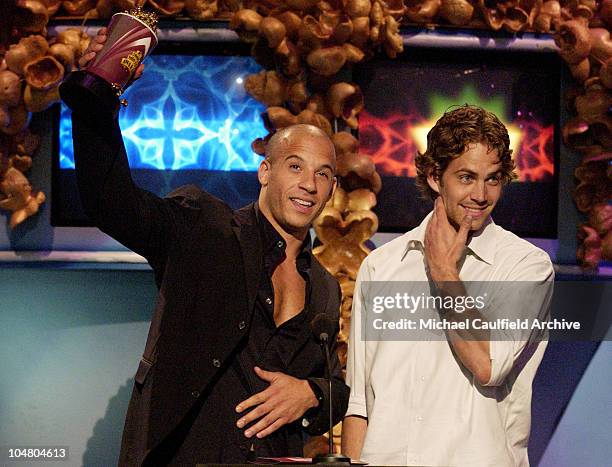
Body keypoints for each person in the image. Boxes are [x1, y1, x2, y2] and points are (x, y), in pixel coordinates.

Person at [72, 29, 349, 465]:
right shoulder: (203, 227)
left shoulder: (326, 289)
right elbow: (111, 202)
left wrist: (311, 394)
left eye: (323, 174)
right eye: (295, 167)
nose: (308, 185)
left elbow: (334, 385)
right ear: (265, 172)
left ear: (332, 189)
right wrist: (97, 102)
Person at [342, 105, 554, 466]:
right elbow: (359, 405)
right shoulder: (382, 266)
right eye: (467, 177)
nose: (481, 195)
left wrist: (443, 272)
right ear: (435, 177)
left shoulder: (526, 266)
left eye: (493, 178)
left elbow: (487, 365)